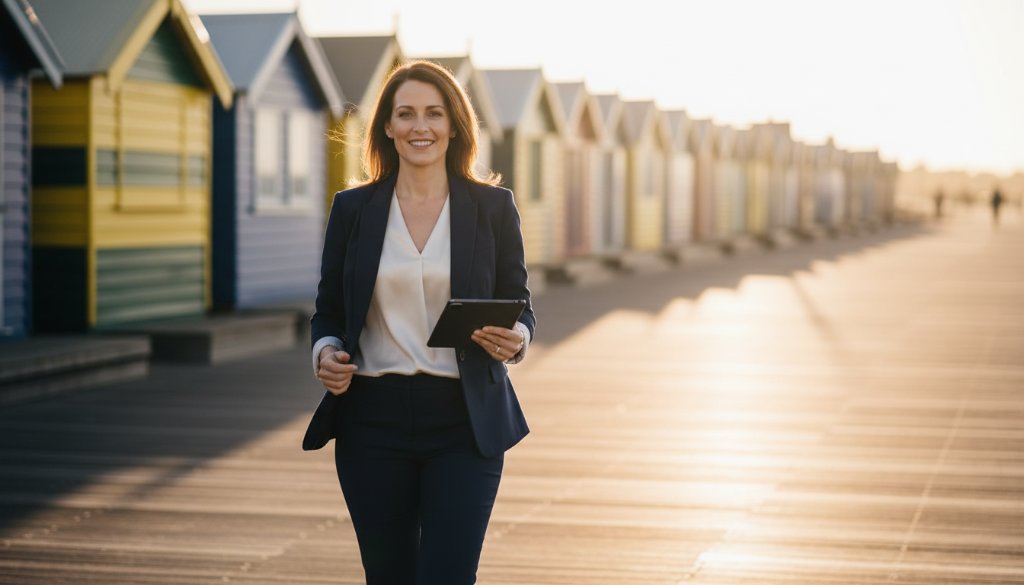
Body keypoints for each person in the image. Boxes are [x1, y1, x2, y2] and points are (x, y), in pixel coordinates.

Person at [302, 60, 535, 584]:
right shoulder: (352, 209)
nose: (420, 127)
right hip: (371, 422)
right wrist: (326, 354)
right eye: (405, 114)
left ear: (454, 124)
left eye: (434, 113)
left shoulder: (493, 207)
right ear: (387, 126)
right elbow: (329, 312)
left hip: (464, 422)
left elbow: (519, 303)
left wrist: (515, 339)